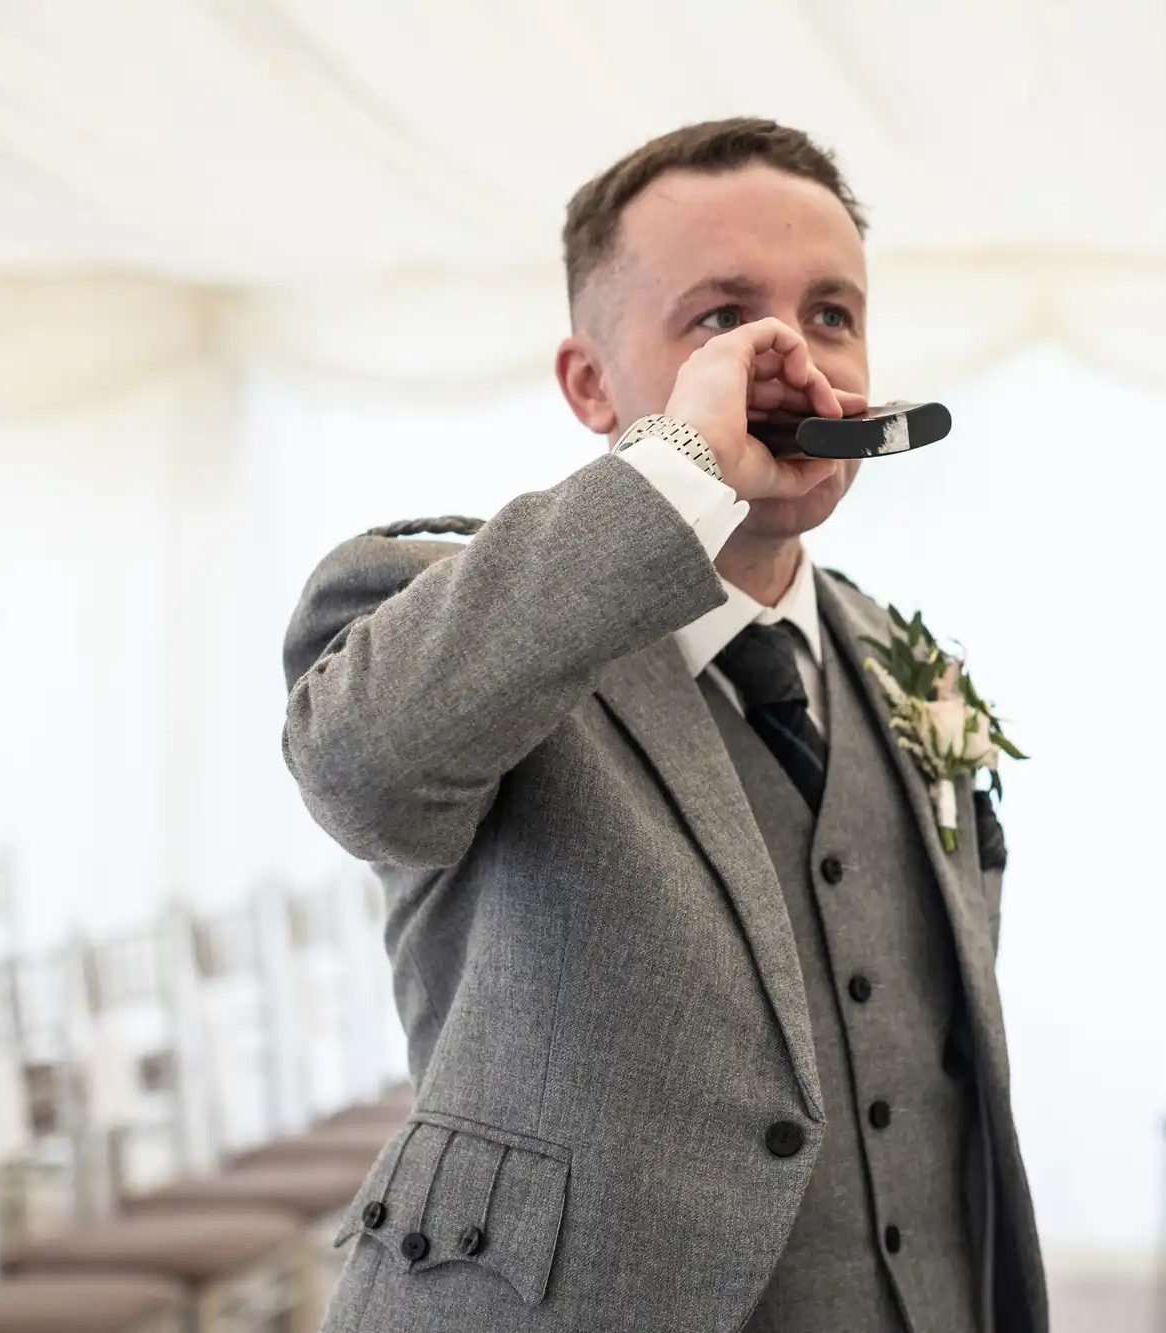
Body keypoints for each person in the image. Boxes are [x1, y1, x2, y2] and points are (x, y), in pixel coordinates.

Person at [282, 117, 1045, 1333]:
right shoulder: (445, 604)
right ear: (591, 383)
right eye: (719, 318)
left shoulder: (907, 665)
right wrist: (682, 465)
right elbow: (361, 771)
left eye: (832, 313)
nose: (791, 358)